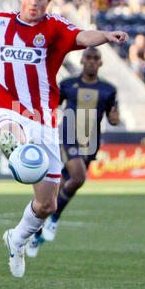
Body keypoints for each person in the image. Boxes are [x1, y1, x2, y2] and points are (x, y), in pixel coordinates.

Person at [0, 0, 128, 278]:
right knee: (15, 140)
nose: (33, 3)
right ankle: (17, 152)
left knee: (47, 204)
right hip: (7, 110)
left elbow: (81, 36)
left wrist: (105, 35)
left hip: (45, 120)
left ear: (48, 0)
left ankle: (18, 238)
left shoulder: (54, 28)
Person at [26, 46, 120, 258]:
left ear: (101, 63)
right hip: (68, 137)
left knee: (63, 187)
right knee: (78, 177)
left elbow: (114, 117)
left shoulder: (108, 89)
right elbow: (51, 107)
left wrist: (114, 119)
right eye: (88, 57)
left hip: (91, 142)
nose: (92, 61)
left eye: (96, 58)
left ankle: (36, 232)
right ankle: (55, 217)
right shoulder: (67, 85)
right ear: (82, 61)